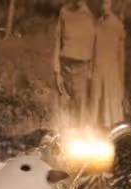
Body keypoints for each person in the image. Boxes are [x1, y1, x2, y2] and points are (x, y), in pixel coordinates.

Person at [53, 0, 96, 128]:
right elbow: (57, 42)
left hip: (82, 69)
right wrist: (57, 72)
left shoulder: (91, 17)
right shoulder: (64, 12)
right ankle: (62, 142)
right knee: (63, 111)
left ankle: (78, 142)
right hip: (64, 68)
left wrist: (90, 72)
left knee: (79, 113)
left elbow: (96, 47)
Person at [89, 0, 126, 129]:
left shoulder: (117, 26)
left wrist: (120, 75)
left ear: (111, 5)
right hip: (97, 70)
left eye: (107, 4)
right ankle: (93, 133)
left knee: (111, 105)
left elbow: (121, 55)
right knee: (95, 104)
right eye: (102, 4)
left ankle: (112, 132)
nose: (104, 7)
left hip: (111, 71)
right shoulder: (96, 25)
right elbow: (91, 50)